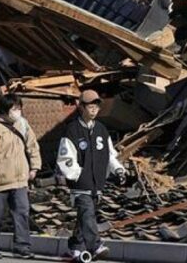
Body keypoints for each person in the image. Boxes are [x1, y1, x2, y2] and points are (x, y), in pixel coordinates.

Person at [56, 89, 126, 261]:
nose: (94, 109)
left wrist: (118, 169)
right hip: (80, 183)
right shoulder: (72, 130)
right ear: (81, 107)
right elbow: (65, 157)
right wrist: (77, 175)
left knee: (84, 216)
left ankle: (75, 247)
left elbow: (110, 154)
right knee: (87, 213)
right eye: (90, 105)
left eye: (96, 105)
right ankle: (95, 246)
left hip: (97, 183)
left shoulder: (102, 130)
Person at [0, 94, 42, 259]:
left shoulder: (23, 124)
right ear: (5, 110)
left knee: (22, 212)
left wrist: (34, 166)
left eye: (19, 108)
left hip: (20, 179)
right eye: (14, 109)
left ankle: (23, 247)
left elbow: (32, 145)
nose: (18, 112)